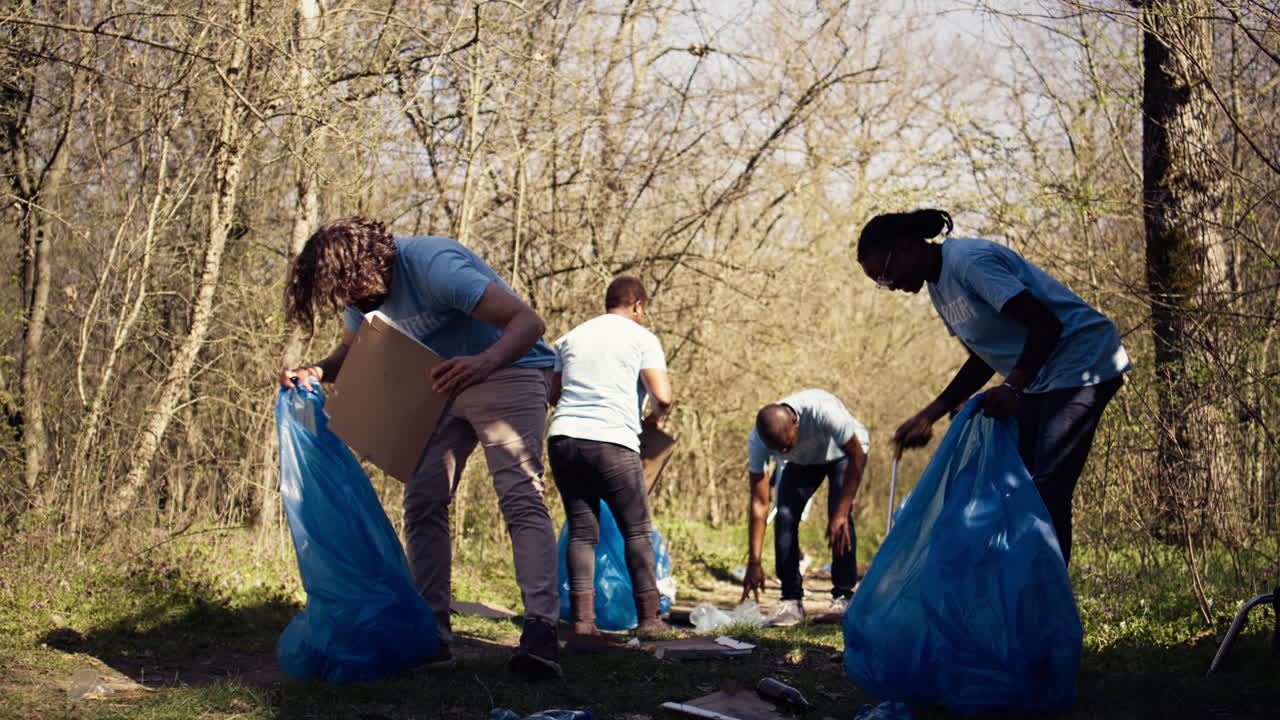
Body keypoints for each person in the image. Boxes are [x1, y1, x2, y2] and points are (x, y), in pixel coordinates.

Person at [278, 217, 562, 680]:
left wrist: (484, 361)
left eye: (345, 289)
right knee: (423, 500)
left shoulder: (433, 264)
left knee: (519, 492)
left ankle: (540, 631)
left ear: (366, 267)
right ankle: (431, 636)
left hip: (509, 367)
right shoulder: (362, 297)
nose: (344, 301)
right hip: (441, 384)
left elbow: (528, 322)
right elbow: (348, 355)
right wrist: (315, 371)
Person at [855, 208, 1130, 565]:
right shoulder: (939, 288)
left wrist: (1013, 387)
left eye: (886, 275)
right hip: (1043, 377)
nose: (888, 286)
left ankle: (1047, 600)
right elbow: (983, 357)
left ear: (906, 246)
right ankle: (1014, 589)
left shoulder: (968, 262)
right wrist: (930, 414)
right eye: (881, 283)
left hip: (1084, 361)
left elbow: (1046, 324)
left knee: (1047, 488)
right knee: (1015, 486)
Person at [546, 276, 674, 635]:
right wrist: (655, 418)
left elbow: (553, 394)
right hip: (612, 441)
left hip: (564, 438)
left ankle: (584, 625)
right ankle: (650, 620)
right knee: (636, 530)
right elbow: (662, 395)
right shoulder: (642, 338)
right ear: (637, 305)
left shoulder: (570, 337)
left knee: (583, 533)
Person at [740, 389, 870, 626]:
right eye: (778, 450)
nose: (783, 453)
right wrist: (754, 562)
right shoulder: (757, 441)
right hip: (805, 462)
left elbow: (857, 456)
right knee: (784, 515)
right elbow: (759, 503)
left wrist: (841, 512)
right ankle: (791, 600)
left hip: (845, 454)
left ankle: (843, 597)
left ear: (795, 423)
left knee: (838, 517)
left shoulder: (824, 411)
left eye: (786, 446)